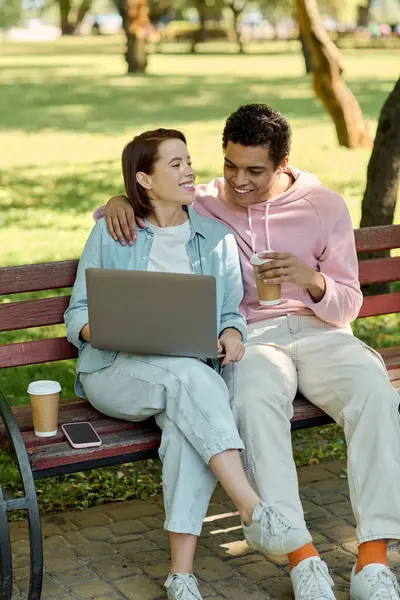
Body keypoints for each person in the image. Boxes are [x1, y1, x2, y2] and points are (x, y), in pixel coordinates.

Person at [95, 106, 400, 600]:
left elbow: (349, 304)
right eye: (230, 165)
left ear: (282, 164)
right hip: (253, 339)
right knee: (254, 403)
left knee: (375, 394)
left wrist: (311, 280)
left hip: (322, 331)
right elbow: (150, 202)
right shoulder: (209, 200)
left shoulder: (323, 205)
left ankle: (373, 561)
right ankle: (301, 556)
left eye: (254, 171)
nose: (238, 181)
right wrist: (115, 200)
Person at [64, 128, 310, 600]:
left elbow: (231, 310)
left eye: (189, 160)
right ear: (145, 180)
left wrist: (233, 333)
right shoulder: (113, 232)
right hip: (115, 369)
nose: (190, 170)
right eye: (174, 164)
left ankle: (182, 575)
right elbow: (79, 315)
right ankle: (252, 508)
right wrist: (116, 328)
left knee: (186, 423)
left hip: (186, 379)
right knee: (193, 379)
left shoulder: (214, 237)